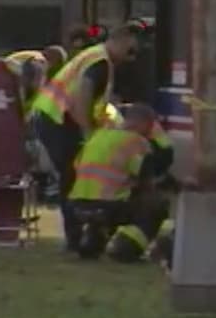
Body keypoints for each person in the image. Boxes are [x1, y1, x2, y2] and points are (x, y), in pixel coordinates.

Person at [31, 22, 139, 252]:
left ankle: (78, 236)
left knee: (71, 176)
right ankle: (75, 238)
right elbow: (82, 100)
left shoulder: (97, 57)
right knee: (72, 177)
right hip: (57, 119)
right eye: (130, 51)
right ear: (119, 40)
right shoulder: (100, 63)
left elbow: (94, 103)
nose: (131, 59)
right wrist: (90, 136)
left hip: (54, 117)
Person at [67, 103, 168, 262]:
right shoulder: (137, 141)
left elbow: (77, 166)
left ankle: (92, 243)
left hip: (77, 204)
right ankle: (127, 249)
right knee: (156, 203)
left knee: (112, 201)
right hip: (109, 205)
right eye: (150, 126)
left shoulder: (98, 136)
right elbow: (147, 180)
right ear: (143, 124)